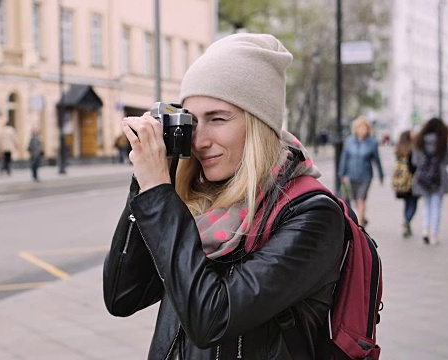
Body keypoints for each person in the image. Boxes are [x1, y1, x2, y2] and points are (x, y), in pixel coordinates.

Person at [103, 33, 345, 359]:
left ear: (259, 124)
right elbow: (122, 295)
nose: (199, 141)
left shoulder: (311, 215)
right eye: (192, 121)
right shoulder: (194, 196)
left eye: (218, 119)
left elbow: (212, 318)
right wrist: (145, 183)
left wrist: (159, 194)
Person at [338, 116, 384, 226]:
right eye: (360, 127)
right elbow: (345, 158)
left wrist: (381, 175)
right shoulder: (350, 141)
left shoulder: (372, 142)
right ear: (356, 129)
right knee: (354, 199)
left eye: (364, 127)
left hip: (365, 176)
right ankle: (362, 218)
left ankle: (359, 225)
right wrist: (342, 174)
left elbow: (377, 160)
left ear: (368, 129)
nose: (362, 130)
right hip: (351, 175)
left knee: (361, 199)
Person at [412, 117, 448, 245]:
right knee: (436, 206)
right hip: (439, 177)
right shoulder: (442, 141)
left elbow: (415, 161)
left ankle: (425, 230)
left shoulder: (419, 141)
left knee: (426, 205)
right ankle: (434, 234)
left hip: (423, 177)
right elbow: (446, 160)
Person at [393, 130, 419, 238]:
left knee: (407, 203)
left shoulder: (398, 148)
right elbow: (414, 166)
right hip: (411, 180)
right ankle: (407, 221)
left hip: (401, 181)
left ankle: (406, 221)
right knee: (412, 203)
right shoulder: (412, 149)